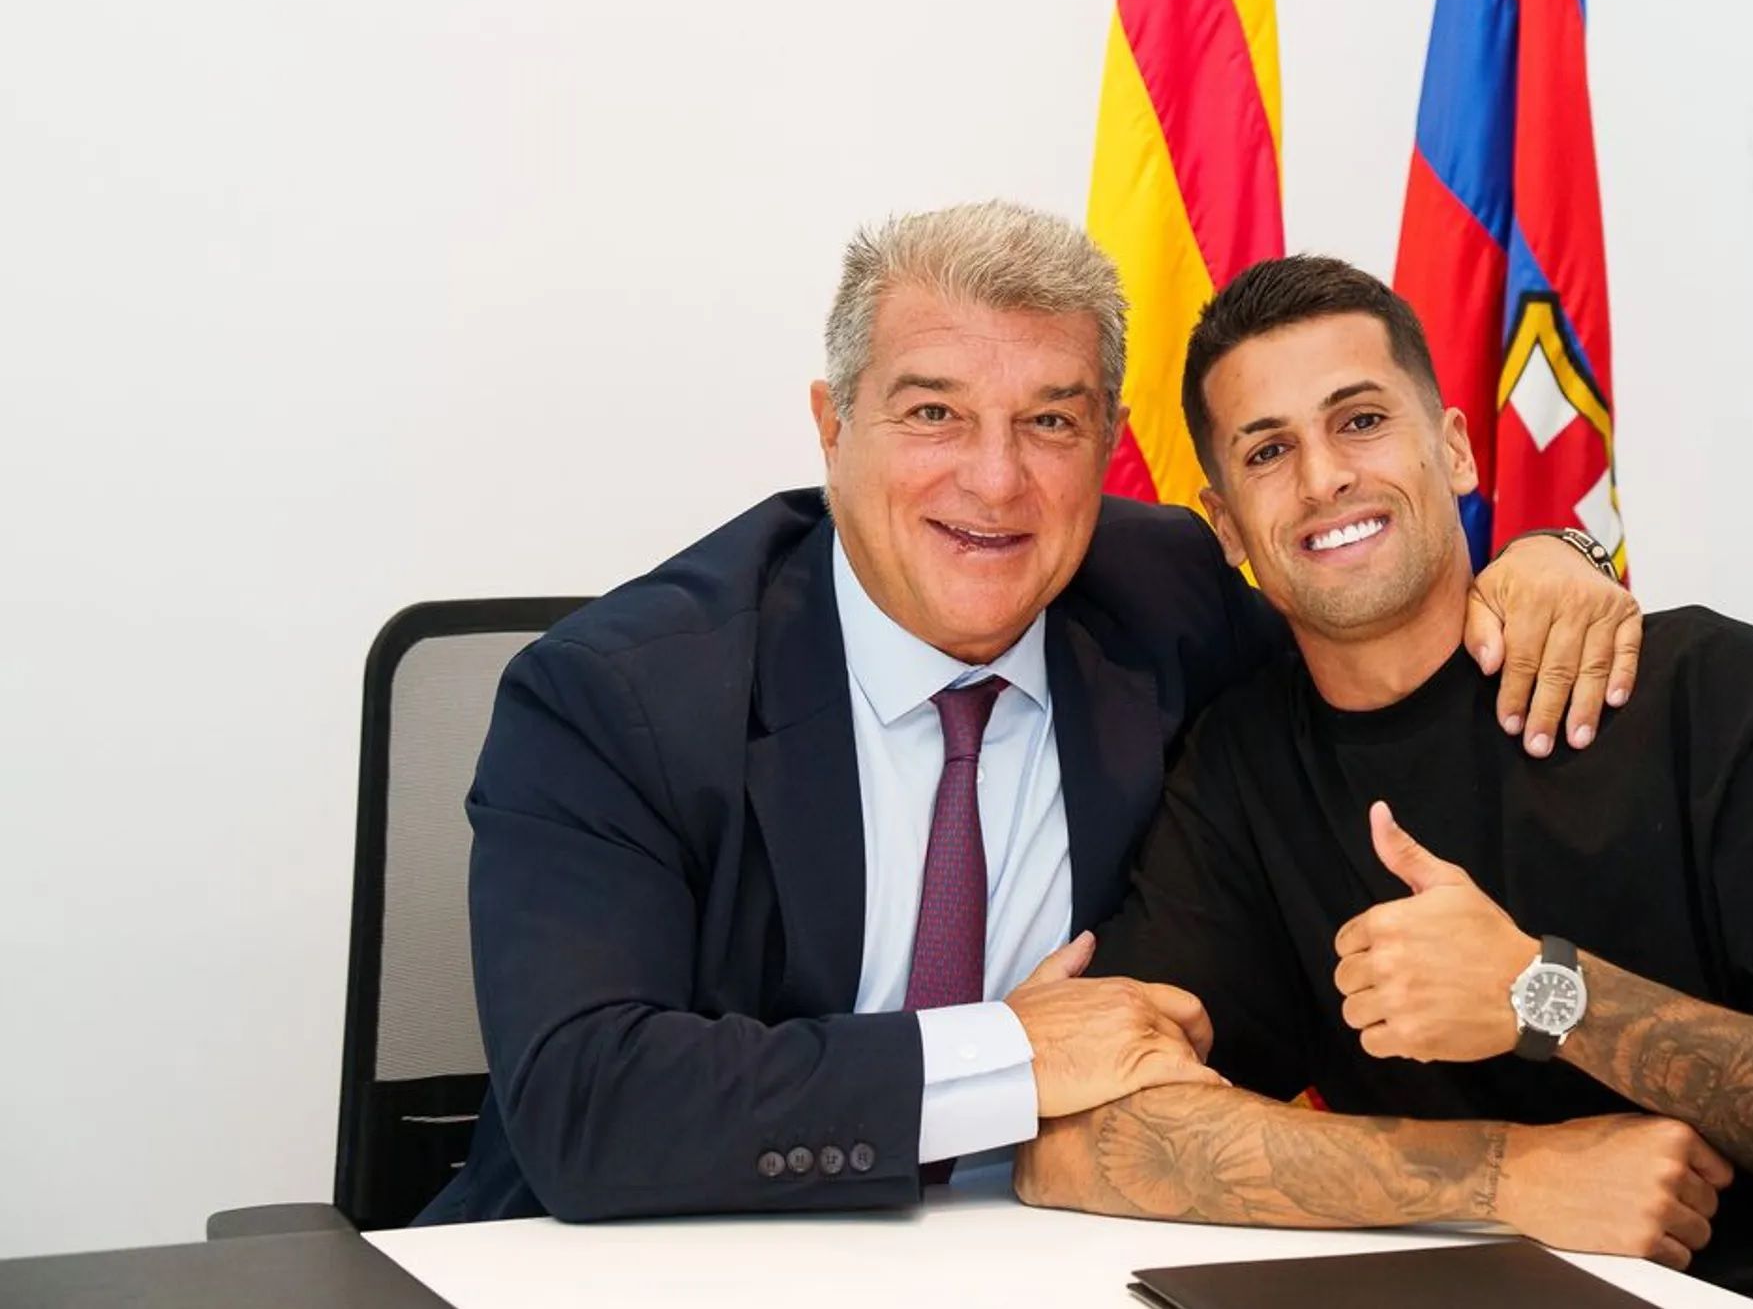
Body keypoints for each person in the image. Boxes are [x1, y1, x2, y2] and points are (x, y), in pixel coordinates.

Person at [419, 204, 1645, 1224]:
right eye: (933, 413)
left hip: (1059, 1257)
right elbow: (589, 1104)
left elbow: (1372, 622)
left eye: (1050, 421)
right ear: (833, 427)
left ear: (1107, 443)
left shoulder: (1166, 598)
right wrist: (1006, 1060)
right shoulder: (618, 696)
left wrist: (1554, 551)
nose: (996, 481)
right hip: (657, 1268)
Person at [1016, 256, 1753, 1309]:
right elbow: (1079, 1138)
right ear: (1228, 526)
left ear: (1455, 449)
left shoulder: (1711, 690)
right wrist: (1505, 1177)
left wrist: (1542, 994)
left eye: (1362, 421)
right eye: (1269, 450)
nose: (1323, 478)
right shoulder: (1244, 768)